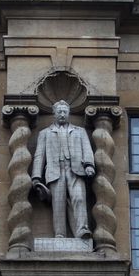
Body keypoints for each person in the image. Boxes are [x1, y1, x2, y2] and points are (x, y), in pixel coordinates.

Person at [32, 100, 95, 239]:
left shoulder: (80, 131)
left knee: (79, 198)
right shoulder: (45, 133)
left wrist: (89, 165)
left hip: (76, 170)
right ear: (54, 114)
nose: (62, 114)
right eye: (59, 112)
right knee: (58, 204)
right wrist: (36, 177)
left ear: (69, 113)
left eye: (64, 112)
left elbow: (87, 150)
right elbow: (39, 155)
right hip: (55, 171)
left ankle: (82, 230)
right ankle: (60, 234)